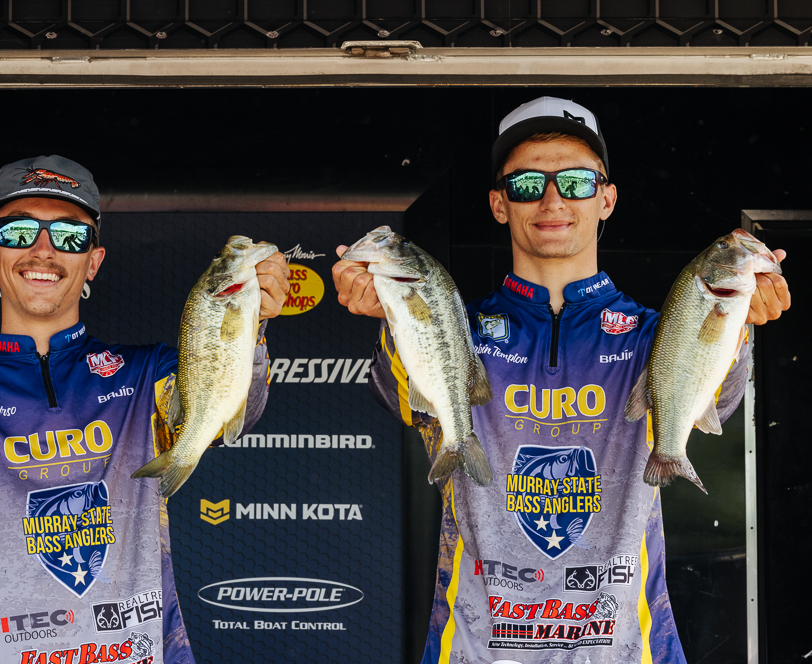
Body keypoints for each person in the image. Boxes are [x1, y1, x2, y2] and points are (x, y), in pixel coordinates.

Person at [332, 97, 790, 663]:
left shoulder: (658, 334)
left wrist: (736, 324)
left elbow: (719, 403)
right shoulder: (453, 328)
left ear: (606, 198)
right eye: (527, 184)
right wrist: (394, 315)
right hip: (477, 650)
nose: (552, 200)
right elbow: (399, 398)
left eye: (575, 181)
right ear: (499, 204)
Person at [0, 155, 290, 664]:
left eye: (69, 235)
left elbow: (227, 417)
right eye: (19, 231)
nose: (43, 249)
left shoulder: (146, 374)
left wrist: (251, 321)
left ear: (93, 260)